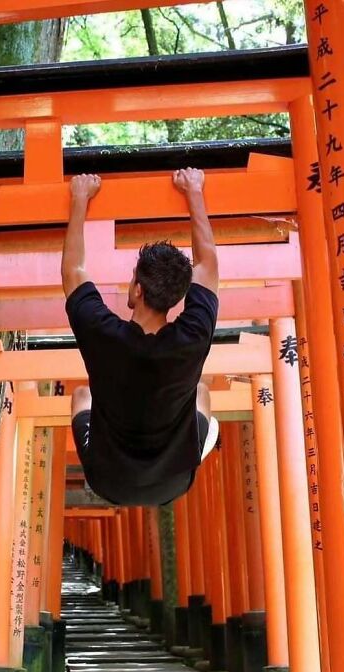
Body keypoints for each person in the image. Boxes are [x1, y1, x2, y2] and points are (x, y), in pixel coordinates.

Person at [62, 168, 220, 506]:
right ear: (178, 295)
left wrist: (80, 199)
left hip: (116, 480)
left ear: (137, 289)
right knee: (201, 392)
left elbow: (75, 270)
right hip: (169, 480)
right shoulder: (191, 335)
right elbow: (207, 263)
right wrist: (193, 191)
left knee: (81, 396)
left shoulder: (104, 332)